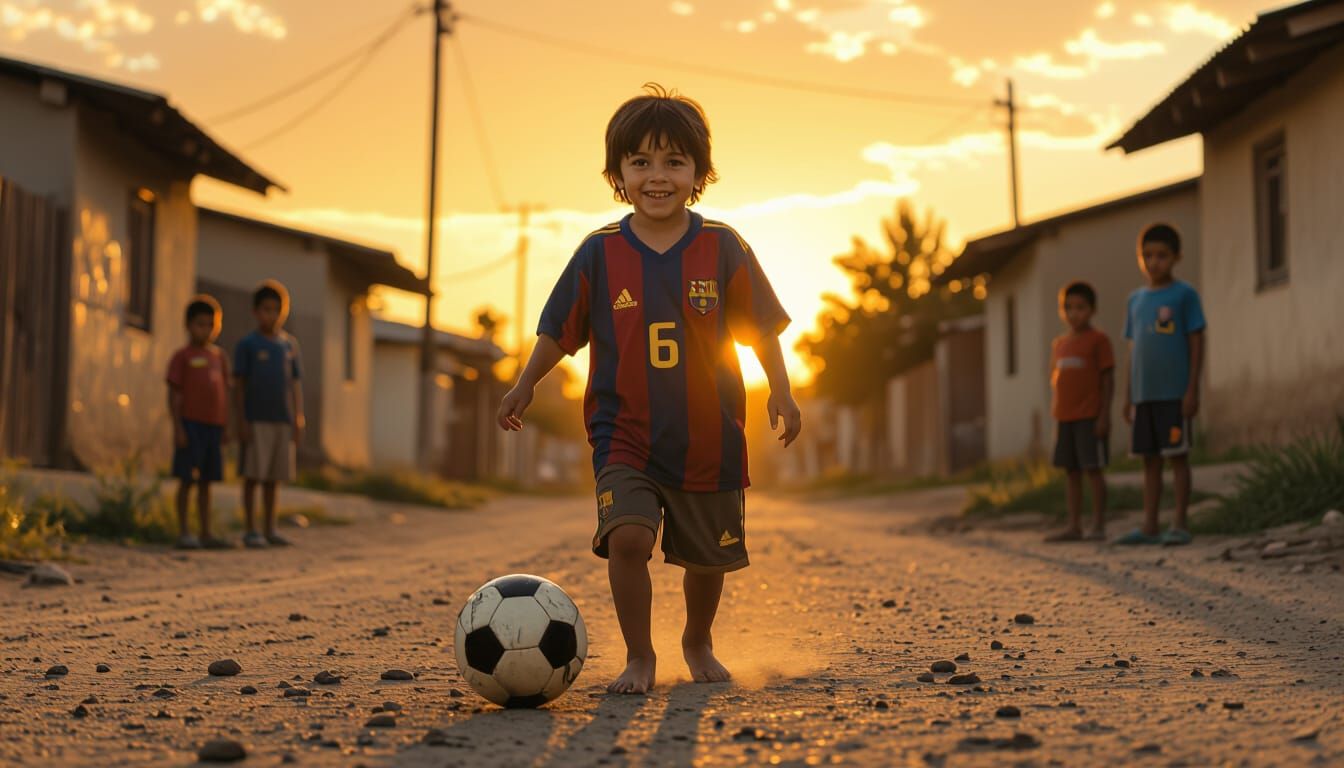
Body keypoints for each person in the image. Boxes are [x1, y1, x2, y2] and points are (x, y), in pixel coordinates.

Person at [496, 84, 801, 695]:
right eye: (640, 162)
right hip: (624, 432)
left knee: (706, 559)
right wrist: (525, 384)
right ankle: (640, 656)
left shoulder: (723, 246)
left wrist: (782, 390)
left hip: (709, 435)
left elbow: (761, 327)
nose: (657, 176)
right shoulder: (599, 253)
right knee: (629, 538)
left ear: (698, 173)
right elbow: (559, 331)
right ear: (618, 174)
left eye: (673, 162)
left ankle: (697, 640)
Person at [1116, 223, 1206, 546]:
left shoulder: (1184, 295)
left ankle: (1180, 522)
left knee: (1177, 457)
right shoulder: (1135, 300)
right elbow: (1133, 350)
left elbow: (1196, 342)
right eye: (1147, 256)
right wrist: (1128, 396)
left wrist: (1191, 389)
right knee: (1149, 461)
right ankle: (1150, 525)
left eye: (1162, 255)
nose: (1154, 262)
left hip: (1174, 395)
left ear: (1177, 257)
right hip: (1144, 397)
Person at [233, 280, 304, 549]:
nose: (271, 315)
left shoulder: (289, 346)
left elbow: (295, 384)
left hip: (282, 420)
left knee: (274, 478)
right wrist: (241, 420)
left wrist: (298, 417)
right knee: (253, 476)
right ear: (256, 311)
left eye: (277, 310)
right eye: (266, 309)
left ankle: (270, 528)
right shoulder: (248, 345)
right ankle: (251, 529)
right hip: (256, 419)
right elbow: (239, 385)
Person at [1045, 282, 1114, 543]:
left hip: (1089, 417)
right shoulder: (1060, 344)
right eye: (1068, 308)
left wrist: (1104, 414)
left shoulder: (1099, 340)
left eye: (1080, 307)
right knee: (1071, 472)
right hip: (1065, 417)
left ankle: (1098, 524)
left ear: (1092, 310)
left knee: (1093, 469)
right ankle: (1073, 525)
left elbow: (1108, 379)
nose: (1074, 313)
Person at [166, 295, 232, 550]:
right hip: (190, 425)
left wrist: (225, 426)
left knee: (207, 482)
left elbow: (224, 395)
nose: (206, 330)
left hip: (213, 427)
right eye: (200, 324)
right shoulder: (182, 357)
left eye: (211, 325)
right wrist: (178, 427)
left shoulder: (219, 357)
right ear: (188, 325)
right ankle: (184, 531)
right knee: (187, 479)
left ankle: (206, 532)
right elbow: (174, 395)